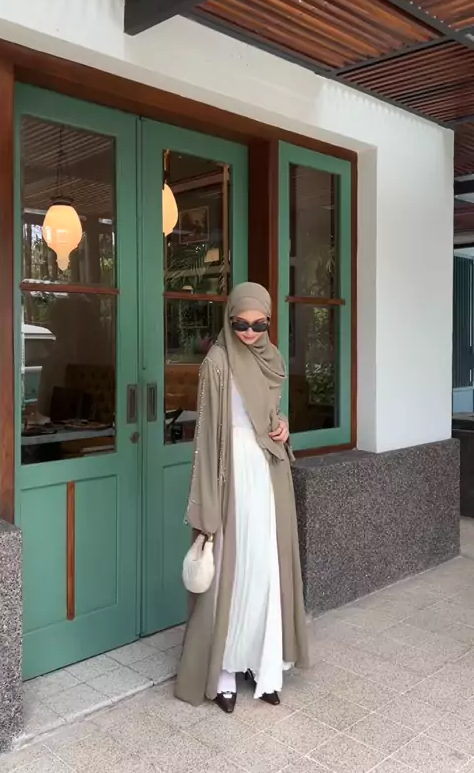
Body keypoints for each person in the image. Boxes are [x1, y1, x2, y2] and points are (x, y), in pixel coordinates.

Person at [175, 282, 309, 714]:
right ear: (229, 319)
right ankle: (225, 672)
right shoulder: (217, 362)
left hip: (269, 475)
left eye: (258, 325)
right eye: (240, 324)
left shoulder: (273, 358)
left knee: (266, 567)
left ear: (268, 322)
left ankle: (265, 666)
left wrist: (283, 425)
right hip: (231, 473)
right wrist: (207, 501)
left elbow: (272, 413)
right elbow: (206, 437)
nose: (249, 332)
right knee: (233, 572)